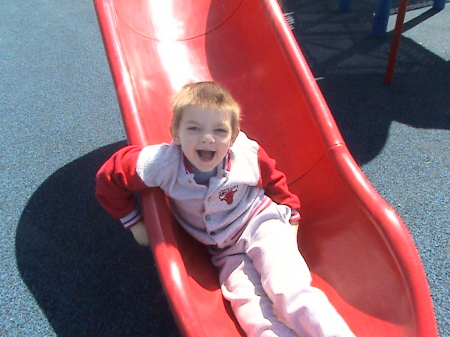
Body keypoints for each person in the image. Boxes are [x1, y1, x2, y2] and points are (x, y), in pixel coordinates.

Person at [95, 82, 355, 337]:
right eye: (194, 128)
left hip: (260, 223)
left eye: (219, 131)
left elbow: (275, 181)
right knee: (251, 309)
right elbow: (110, 175)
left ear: (233, 137)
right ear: (175, 133)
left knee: (289, 288)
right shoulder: (163, 163)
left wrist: (291, 216)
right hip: (225, 251)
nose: (207, 138)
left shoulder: (247, 156)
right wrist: (134, 223)